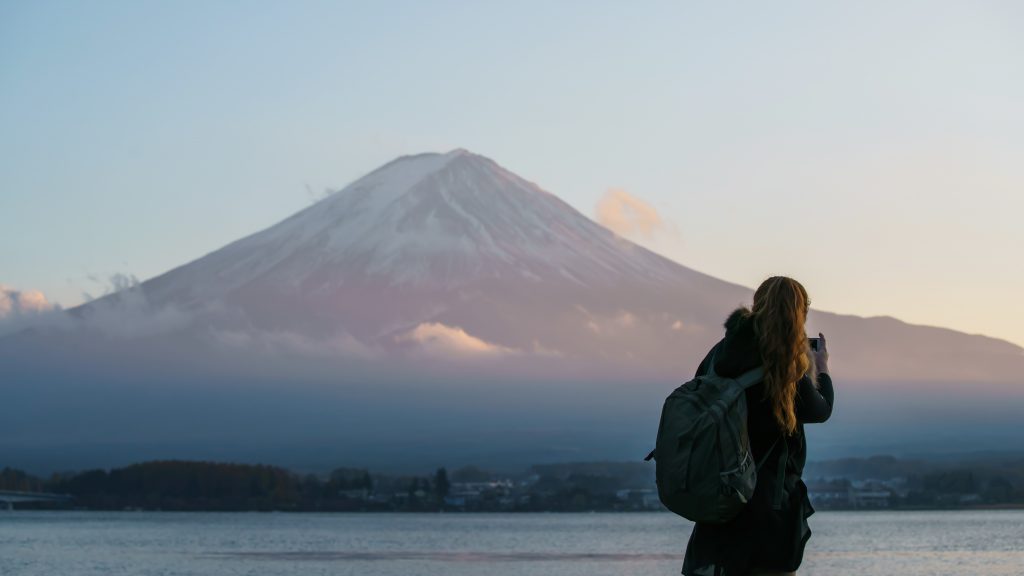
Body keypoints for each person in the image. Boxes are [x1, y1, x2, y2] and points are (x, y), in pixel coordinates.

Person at [682, 276, 835, 576]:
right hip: (769, 507)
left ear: (757, 305)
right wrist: (821, 368)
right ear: (799, 313)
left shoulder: (721, 354)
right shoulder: (783, 362)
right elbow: (820, 410)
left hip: (720, 501)